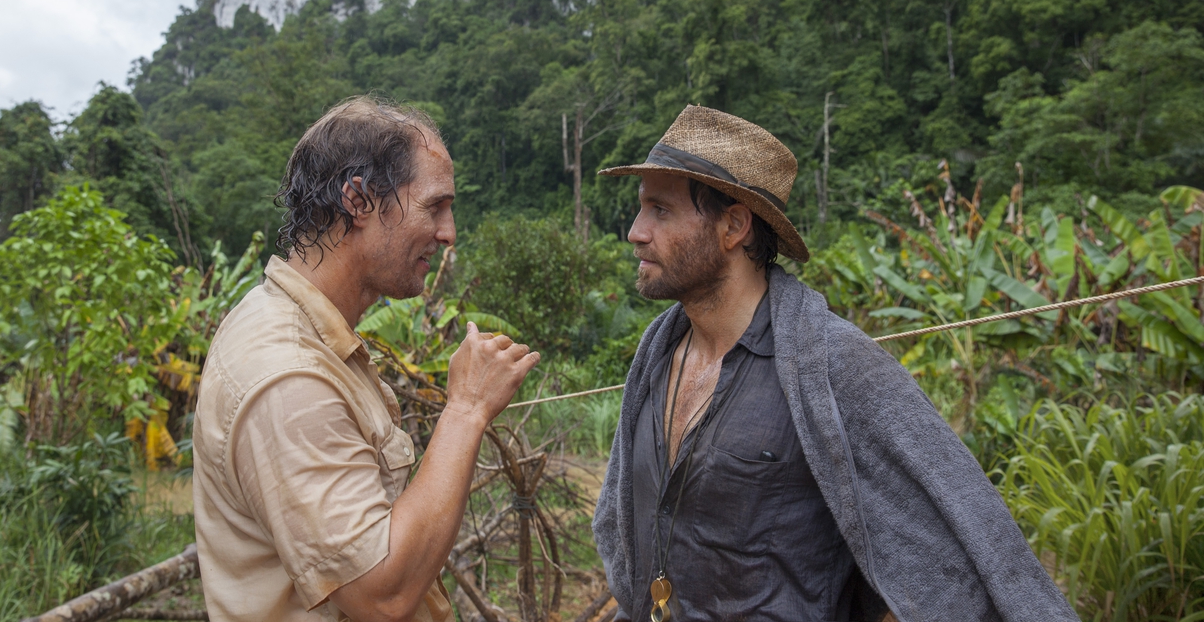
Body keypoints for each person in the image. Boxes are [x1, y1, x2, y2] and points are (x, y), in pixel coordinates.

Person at [592, 105, 1077, 622]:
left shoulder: (834, 363)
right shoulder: (658, 350)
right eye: (642, 209)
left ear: (733, 225)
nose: (636, 232)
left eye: (660, 211)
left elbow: (967, 532)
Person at [193, 97, 540, 622]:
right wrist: (466, 409)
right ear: (358, 200)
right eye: (433, 207)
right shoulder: (287, 377)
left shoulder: (304, 329)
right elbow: (381, 596)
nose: (449, 233)